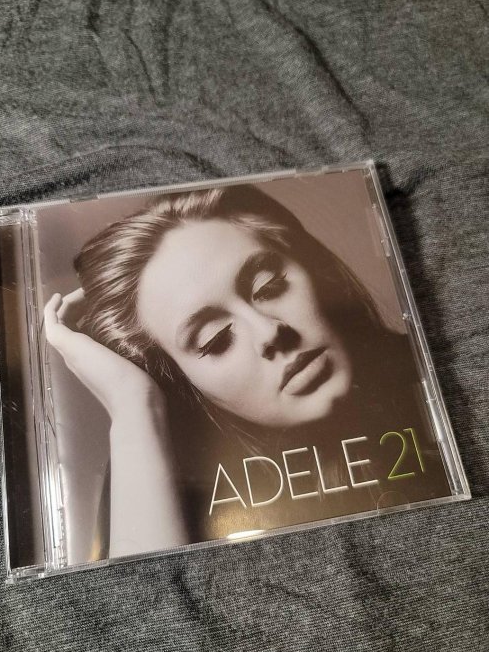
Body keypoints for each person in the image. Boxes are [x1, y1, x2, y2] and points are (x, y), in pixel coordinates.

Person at [44, 184, 448, 559]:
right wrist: (135, 404)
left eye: (269, 287)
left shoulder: (441, 375)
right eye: (215, 339)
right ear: (184, 383)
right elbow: (147, 606)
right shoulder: (165, 485)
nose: (270, 332)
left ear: (314, 270)